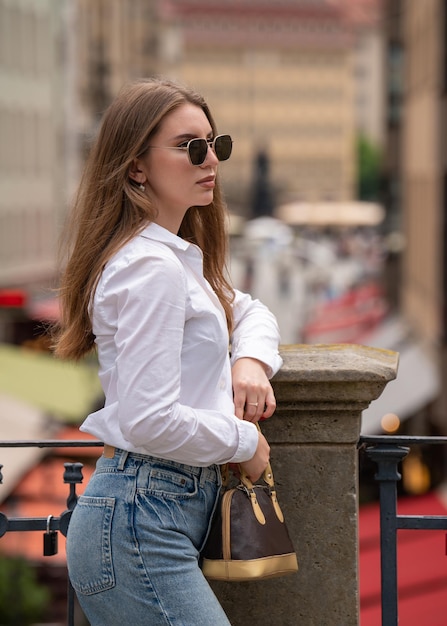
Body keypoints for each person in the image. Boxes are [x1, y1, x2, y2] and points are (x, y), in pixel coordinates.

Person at [54, 77, 283, 626]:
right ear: (136, 166)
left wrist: (248, 360)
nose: (211, 160)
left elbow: (250, 310)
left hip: (153, 513)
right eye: (190, 147)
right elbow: (149, 418)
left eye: (216, 145)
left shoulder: (174, 260)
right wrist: (244, 439)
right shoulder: (150, 267)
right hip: (140, 520)